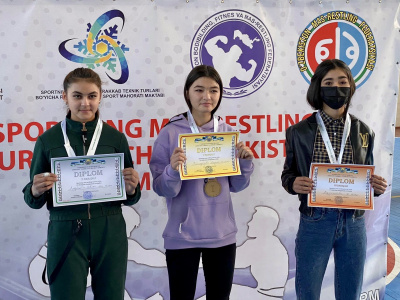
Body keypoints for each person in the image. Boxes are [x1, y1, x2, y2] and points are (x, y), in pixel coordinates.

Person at [23, 67, 141, 300]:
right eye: (77, 96)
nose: (85, 103)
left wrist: (132, 189)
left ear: (100, 97)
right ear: (65, 97)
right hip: (65, 229)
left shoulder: (115, 138)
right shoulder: (48, 140)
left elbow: (130, 195)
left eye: (92, 96)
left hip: (110, 229)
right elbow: (33, 199)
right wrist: (35, 191)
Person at [281, 59, 387, 300]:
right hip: (316, 220)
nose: (336, 87)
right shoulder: (299, 131)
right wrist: (293, 183)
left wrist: (376, 187)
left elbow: (367, 176)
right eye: (328, 82)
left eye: (343, 81)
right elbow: (288, 174)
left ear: (351, 86)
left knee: (350, 293)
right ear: (318, 88)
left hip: (353, 222)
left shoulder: (364, 131)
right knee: (307, 292)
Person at [149, 64, 254, 300]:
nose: (207, 96)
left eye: (213, 90)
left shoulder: (227, 132)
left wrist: (245, 164)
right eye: (199, 90)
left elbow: (236, 186)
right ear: (187, 92)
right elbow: (161, 187)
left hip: (221, 235)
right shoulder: (169, 132)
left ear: (220, 94)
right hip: (182, 236)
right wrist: (173, 171)